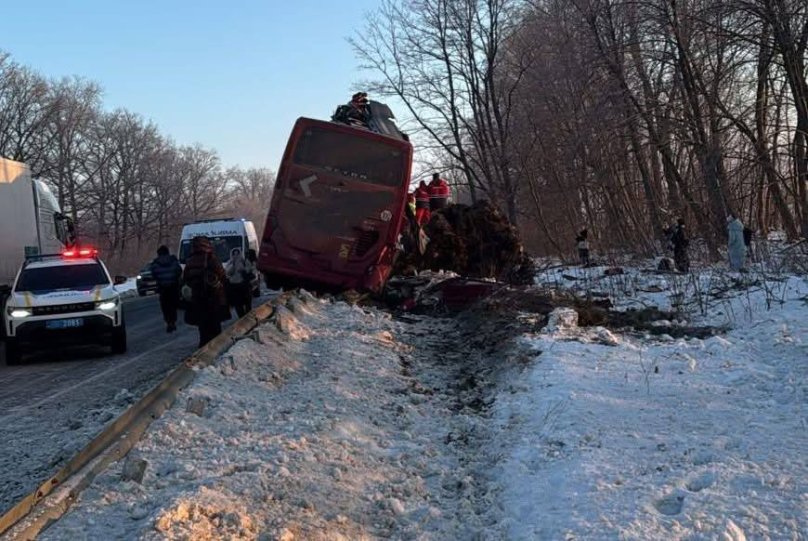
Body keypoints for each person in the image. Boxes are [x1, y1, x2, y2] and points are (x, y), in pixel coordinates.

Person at [182, 236, 230, 347]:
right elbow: (221, 274)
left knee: (203, 326)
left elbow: (185, 279)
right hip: (213, 297)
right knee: (215, 324)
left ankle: (203, 346)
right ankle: (217, 346)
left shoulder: (190, 260)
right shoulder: (211, 258)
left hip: (197, 298)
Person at [150, 245, 183, 332]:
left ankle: (169, 321)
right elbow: (179, 271)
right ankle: (173, 320)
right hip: (173, 287)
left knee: (165, 306)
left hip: (163, 289)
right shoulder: (173, 261)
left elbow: (153, 274)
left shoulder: (155, 264)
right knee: (173, 305)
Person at [225, 247, 256, 317]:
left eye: (237, 253)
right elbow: (228, 272)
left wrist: (243, 270)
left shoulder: (244, 261)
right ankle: (241, 317)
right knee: (238, 304)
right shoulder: (230, 262)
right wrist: (233, 264)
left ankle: (248, 316)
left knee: (247, 303)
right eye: (234, 254)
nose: (236, 255)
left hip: (244, 285)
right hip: (234, 286)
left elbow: (250, 269)